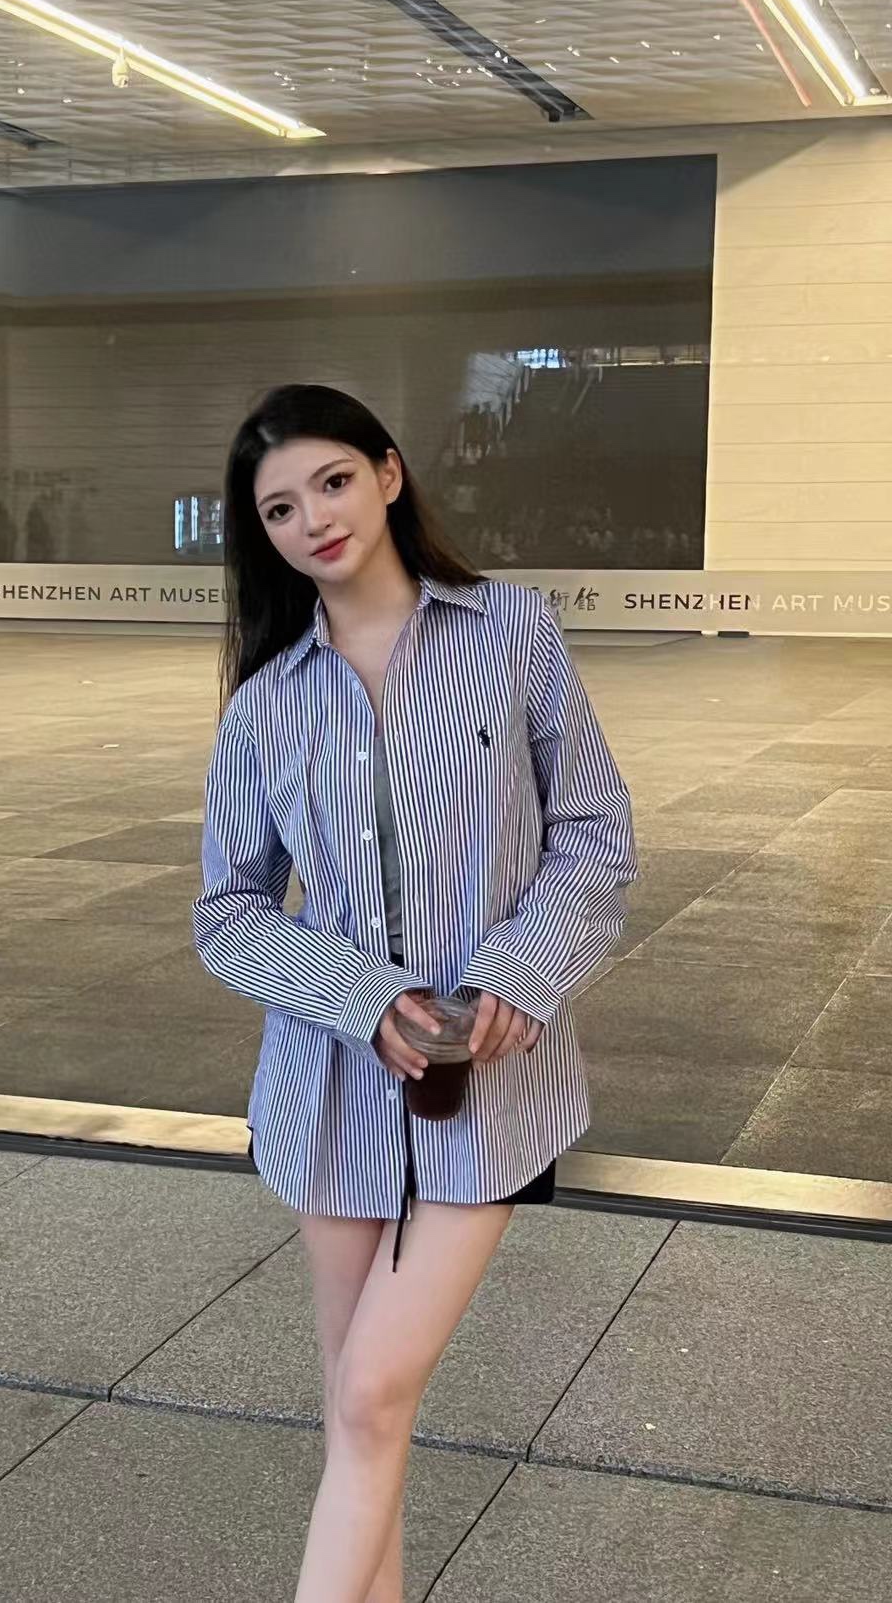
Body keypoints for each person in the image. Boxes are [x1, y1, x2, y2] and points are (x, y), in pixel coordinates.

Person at [194, 384, 636, 1603]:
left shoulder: (510, 634)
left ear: (387, 475)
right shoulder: (265, 704)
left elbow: (592, 834)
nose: (313, 519)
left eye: (332, 481)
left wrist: (514, 972)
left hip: (487, 1085)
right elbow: (226, 910)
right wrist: (361, 995)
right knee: (355, 1406)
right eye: (279, 508)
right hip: (328, 1091)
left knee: (371, 1394)